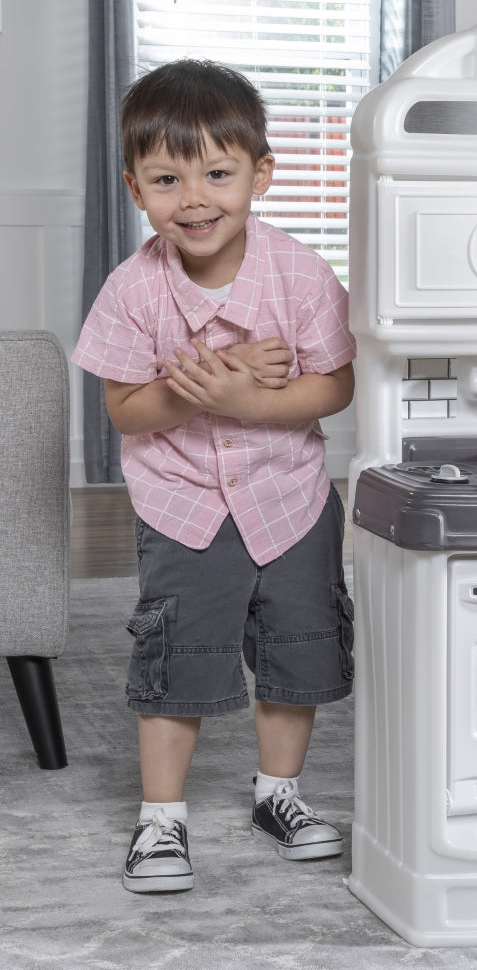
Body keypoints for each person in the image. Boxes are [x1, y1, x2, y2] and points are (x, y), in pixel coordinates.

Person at [71, 60, 357, 894]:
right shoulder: (132, 291)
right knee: (180, 656)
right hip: (184, 499)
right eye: (166, 178)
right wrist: (198, 388)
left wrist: (246, 396)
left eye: (218, 174)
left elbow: (335, 386)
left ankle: (280, 793)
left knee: (295, 646)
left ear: (260, 174)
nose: (194, 199)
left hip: (290, 495)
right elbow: (125, 410)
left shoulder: (301, 276)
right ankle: (161, 816)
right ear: (136, 188)